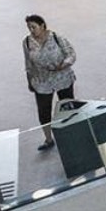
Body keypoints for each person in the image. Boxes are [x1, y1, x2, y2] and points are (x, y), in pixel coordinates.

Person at [22, 14, 78, 147]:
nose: (31, 30)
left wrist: (63, 65)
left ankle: (72, 134)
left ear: (42, 25)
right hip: (42, 82)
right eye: (29, 27)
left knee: (67, 107)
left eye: (34, 27)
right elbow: (28, 63)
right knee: (43, 112)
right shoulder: (27, 42)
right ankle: (48, 139)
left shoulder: (57, 38)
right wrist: (29, 81)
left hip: (62, 78)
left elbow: (71, 54)